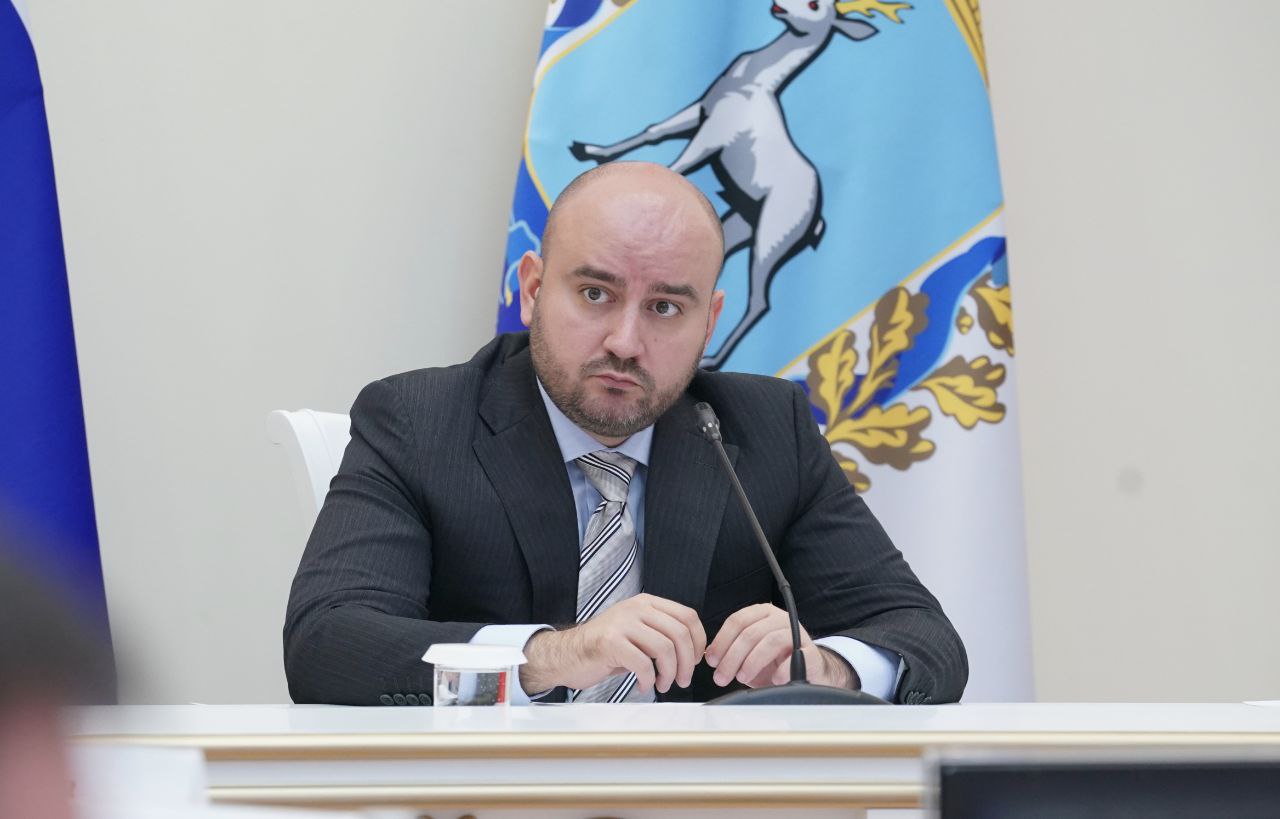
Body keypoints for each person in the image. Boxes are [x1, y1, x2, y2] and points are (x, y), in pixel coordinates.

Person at [284, 162, 966, 705]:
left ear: (710, 321)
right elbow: (328, 642)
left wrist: (824, 668)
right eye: (595, 294)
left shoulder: (767, 430)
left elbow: (924, 640)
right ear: (532, 288)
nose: (626, 342)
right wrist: (555, 655)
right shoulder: (418, 420)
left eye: (665, 307)